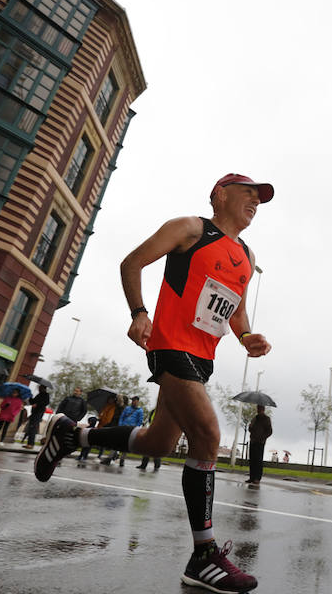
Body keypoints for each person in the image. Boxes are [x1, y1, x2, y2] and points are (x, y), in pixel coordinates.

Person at [35, 173, 274, 593]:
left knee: (159, 443)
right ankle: (204, 555)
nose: (255, 201)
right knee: (207, 435)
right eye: (248, 193)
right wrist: (138, 312)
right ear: (219, 194)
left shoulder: (248, 256)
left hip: (203, 357)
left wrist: (246, 336)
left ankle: (74, 436)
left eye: (261, 198)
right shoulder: (191, 228)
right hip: (170, 344)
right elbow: (131, 262)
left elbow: (234, 310)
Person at [103, 396, 143, 467]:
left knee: (126, 445)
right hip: (123, 427)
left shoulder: (140, 410)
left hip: (131, 429)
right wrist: (120, 425)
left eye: (135, 400)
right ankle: (109, 458)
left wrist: (135, 429)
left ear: (137, 401)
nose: (133, 402)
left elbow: (139, 421)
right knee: (116, 443)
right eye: (133, 400)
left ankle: (122, 460)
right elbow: (122, 417)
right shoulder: (127, 408)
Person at [246, 405, 272, 484]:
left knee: (258, 460)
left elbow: (269, 431)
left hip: (260, 442)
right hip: (253, 441)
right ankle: (251, 477)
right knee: (252, 460)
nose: (258, 410)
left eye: (259, 409)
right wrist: (250, 427)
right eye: (257, 409)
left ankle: (257, 478)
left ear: (263, 409)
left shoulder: (267, 419)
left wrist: (262, 438)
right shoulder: (255, 418)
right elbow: (251, 429)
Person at [24, 384, 49, 449]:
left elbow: (46, 403)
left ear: (43, 388)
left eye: (40, 387)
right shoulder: (38, 395)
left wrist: (37, 404)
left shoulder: (46, 395)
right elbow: (32, 402)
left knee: (33, 428)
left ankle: (31, 444)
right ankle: (29, 443)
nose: (39, 388)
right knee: (30, 427)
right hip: (34, 412)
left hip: (38, 413)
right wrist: (30, 397)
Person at [137, 405, 162, 471]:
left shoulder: (162, 411)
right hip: (151, 430)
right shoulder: (153, 411)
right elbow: (149, 420)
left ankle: (157, 465)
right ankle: (143, 465)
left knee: (156, 449)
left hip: (159, 431)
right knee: (147, 448)